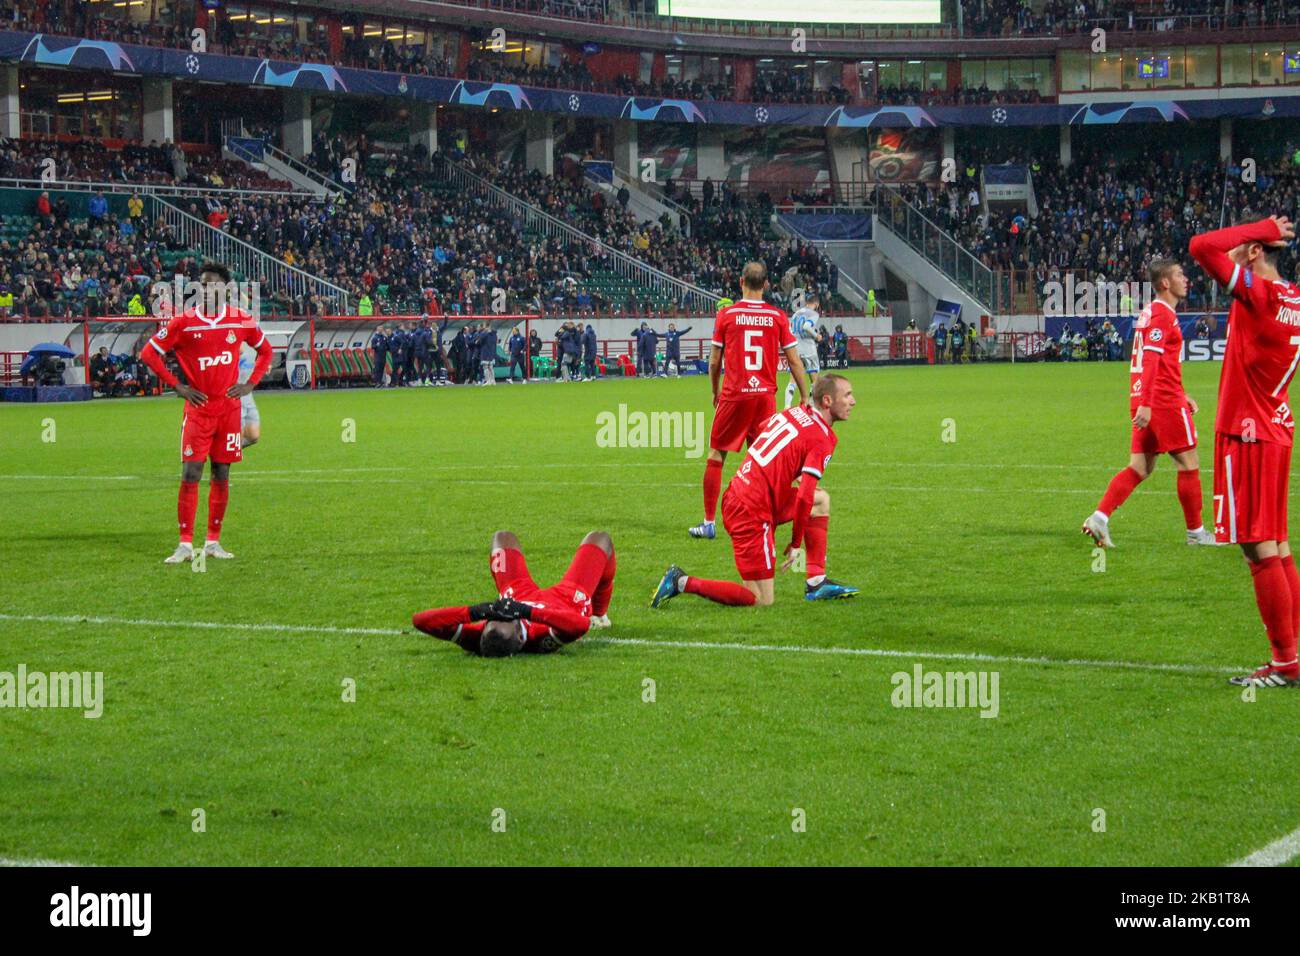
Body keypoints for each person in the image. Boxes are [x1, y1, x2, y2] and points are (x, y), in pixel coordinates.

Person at [1189, 214, 1300, 687]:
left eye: (1243, 246)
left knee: (1257, 550)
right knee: (1278, 545)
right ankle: (1293, 655)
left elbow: (1201, 246)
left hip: (1248, 433)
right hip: (1276, 425)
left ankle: (1284, 664)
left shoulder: (1259, 293)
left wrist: (1258, 226)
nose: (1231, 252)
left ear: (1254, 253)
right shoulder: (1294, 297)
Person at [655, 375, 859, 607]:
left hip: (742, 492)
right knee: (761, 600)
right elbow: (802, 497)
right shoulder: (822, 439)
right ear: (827, 401)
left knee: (820, 500)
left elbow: (764, 429)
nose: (853, 402)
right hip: (750, 509)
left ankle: (816, 583)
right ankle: (681, 581)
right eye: (848, 395)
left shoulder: (794, 411)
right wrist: (795, 544)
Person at [139, 261, 273, 564]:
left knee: (221, 473)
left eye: (211, 283)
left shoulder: (240, 320)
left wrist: (250, 384)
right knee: (191, 472)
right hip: (199, 410)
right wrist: (178, 386)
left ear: (225, 288)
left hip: (228, 409)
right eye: (201, 283)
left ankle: (213, 542)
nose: (204, 288)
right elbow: (149, 353)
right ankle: (185, 544)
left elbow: (266, 351)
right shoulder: (183, 322)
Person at [1082, 259, 1215, 550]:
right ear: (1165, 282)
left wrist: (1181, 393)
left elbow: (1162, 361)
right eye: (1180, 274)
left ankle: (1099, 518)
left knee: (1140, 467)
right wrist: (1150, 403)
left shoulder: (1151, 313)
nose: (1186, 279)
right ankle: (1196, 533)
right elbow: (1152, 360)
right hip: (1160, 402)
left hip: (1150, 398)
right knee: (1189, 463)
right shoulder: (1163, 315)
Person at [689, 262, 809, 540]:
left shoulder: (726, 315)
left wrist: (714, 390)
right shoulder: (777, 316)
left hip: (735, 395)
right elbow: (793, 360)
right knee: (766, 461)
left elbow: (714, 361)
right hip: (765, 397)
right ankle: (768, 516)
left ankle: (708, 523)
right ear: (766, 284)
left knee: (716, 455)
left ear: (741, 281)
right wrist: (804, 395)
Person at [412, 530, 616, 657]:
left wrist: (475, 612)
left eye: (493, 617)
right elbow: (580, 625)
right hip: (566, 598)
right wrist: (525, 611)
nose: (504, 614)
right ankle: (601, 614)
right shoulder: (539, 638)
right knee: (601, 539)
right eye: (510, 619)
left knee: (502, 537)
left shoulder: (475, 638)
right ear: (520, 636)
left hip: (517, 591)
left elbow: (420, 620)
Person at [785, 294, 822, 408]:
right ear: (816, 304)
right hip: (808, 348)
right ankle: (810, 406)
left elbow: (790, 329)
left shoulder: (796, 313)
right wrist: (816, 336)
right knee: (814, 379)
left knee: (793, 379)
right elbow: (806, 326)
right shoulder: (814, 314)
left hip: (795, 348)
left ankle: (787, 406)